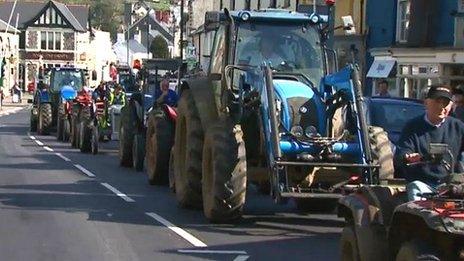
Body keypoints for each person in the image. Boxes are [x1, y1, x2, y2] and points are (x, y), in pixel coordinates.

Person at [396, 85, 464, 201]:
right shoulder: (412, 127)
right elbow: (402, 152)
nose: (441, 107)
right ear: (426, 103)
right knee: (416, 188)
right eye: (438, 102)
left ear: (451, 106)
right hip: (423, 183)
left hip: (452, 184)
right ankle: (416, 218)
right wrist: (409, 157)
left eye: (446, 103)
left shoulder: (458, 127)